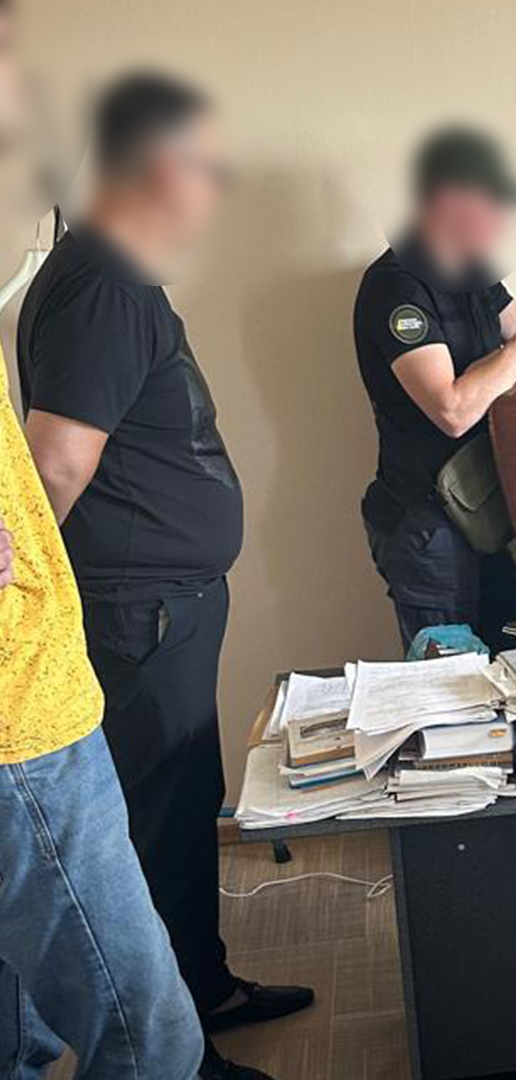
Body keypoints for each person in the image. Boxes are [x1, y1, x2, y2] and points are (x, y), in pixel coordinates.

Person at [18, 73, 310, 1080]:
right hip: (135, 613)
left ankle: (203, 988)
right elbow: (56, 463)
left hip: (162, 607)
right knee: (152, 823)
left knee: (186, 806)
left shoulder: (109, 275)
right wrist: (37, 606)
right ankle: (179, 1052)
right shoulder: (102, 280)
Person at [354, 125, 516, 651]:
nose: (502, 221)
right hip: (426, 530)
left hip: (482, 516)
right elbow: (453, 409)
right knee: (448, 691)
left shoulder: (474, 275)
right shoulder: (395, 285)